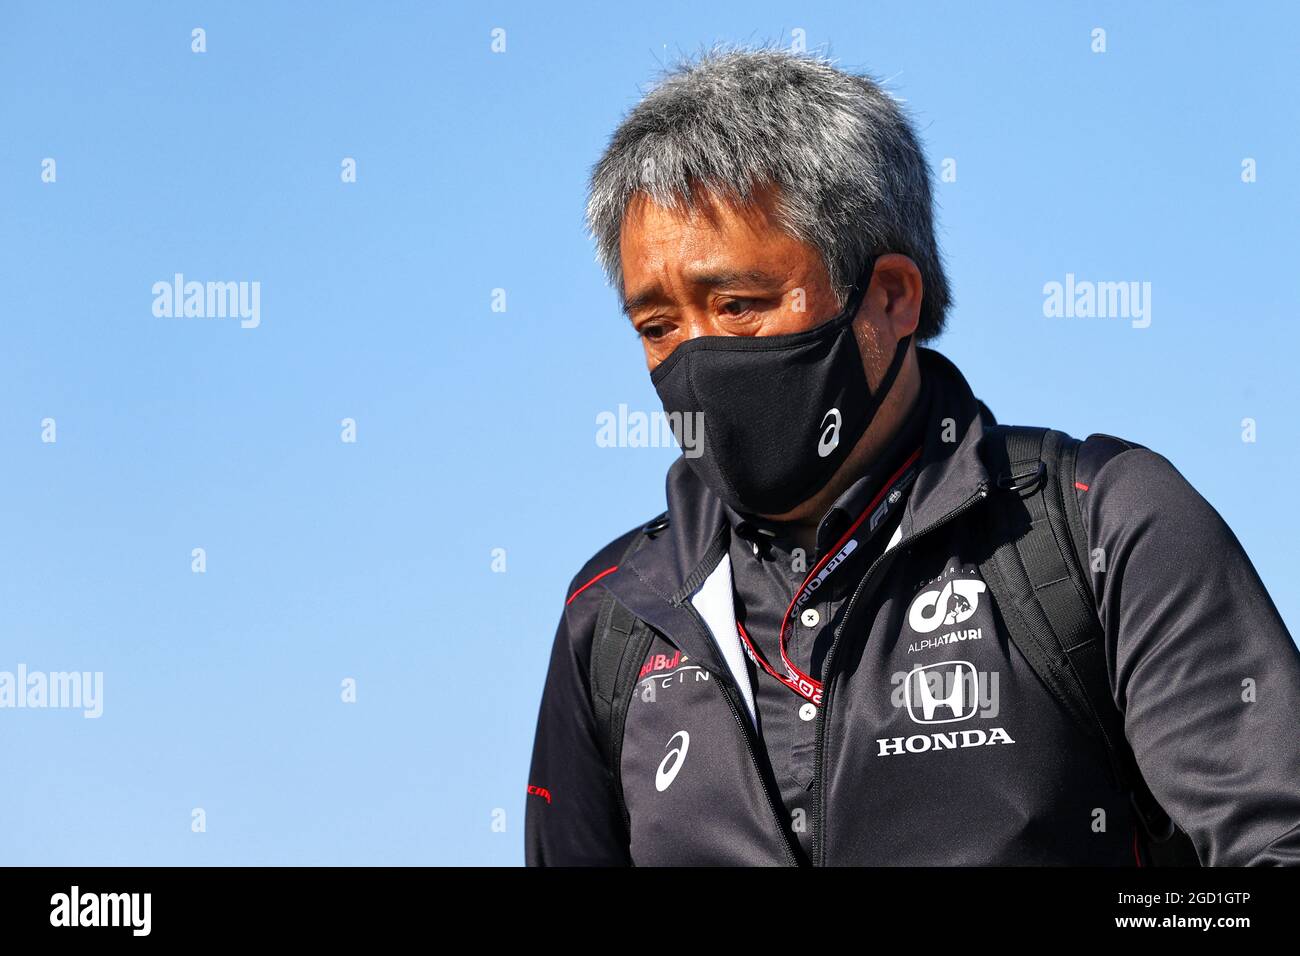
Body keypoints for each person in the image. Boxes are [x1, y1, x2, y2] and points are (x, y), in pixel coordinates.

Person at [525, 48, 1300, 866]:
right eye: (657, 327)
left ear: (890, 296)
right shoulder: (611, 621)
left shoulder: (1102, 526)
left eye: (738, 304)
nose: (694, 356)